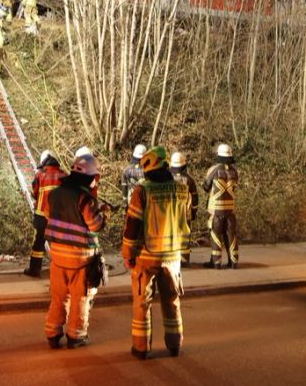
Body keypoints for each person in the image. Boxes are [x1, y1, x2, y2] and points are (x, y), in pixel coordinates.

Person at [121, 146, 191, 359]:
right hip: (173, 257)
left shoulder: (142, 191)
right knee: (171, 300)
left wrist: (127, 254)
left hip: (147, 256)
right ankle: (174, 344)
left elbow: (132, 225)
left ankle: (141, 347)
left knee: (143, 302)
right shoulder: (182, 189)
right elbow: (186, 220)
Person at [44, 154, 111, 349]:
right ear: (91, 177)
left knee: (59, 296)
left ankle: (52, 332)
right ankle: (76, 335)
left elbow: (50, 214)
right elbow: (94, 225)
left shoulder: (54, 194)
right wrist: (103, 214)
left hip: (57, 255)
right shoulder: (84, 198)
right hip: (81, 259)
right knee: (80, 297)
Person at [24, 150, 67, 278]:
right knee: (59, 244)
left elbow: (35, 192)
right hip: (59, 217)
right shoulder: (64, 175)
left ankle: (35, 270)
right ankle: (61, 270)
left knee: (38, 244)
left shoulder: (40, 175)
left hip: (41, 215)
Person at [202, 143, 240, 269]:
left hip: (216, 211)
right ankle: (233, 262)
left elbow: (206, 186)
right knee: (231, 236)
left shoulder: (214, 170)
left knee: (216, 236)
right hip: (230, 210)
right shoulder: (235, 171)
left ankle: (216, 262)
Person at [170, 151, 199, 267]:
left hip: (170, 214)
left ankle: (172, 260)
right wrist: (194, 212)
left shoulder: (166, 179)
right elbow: (195, 198)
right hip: (185, 214)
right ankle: (185, 261)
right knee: (185, 237)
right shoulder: (189, 180)